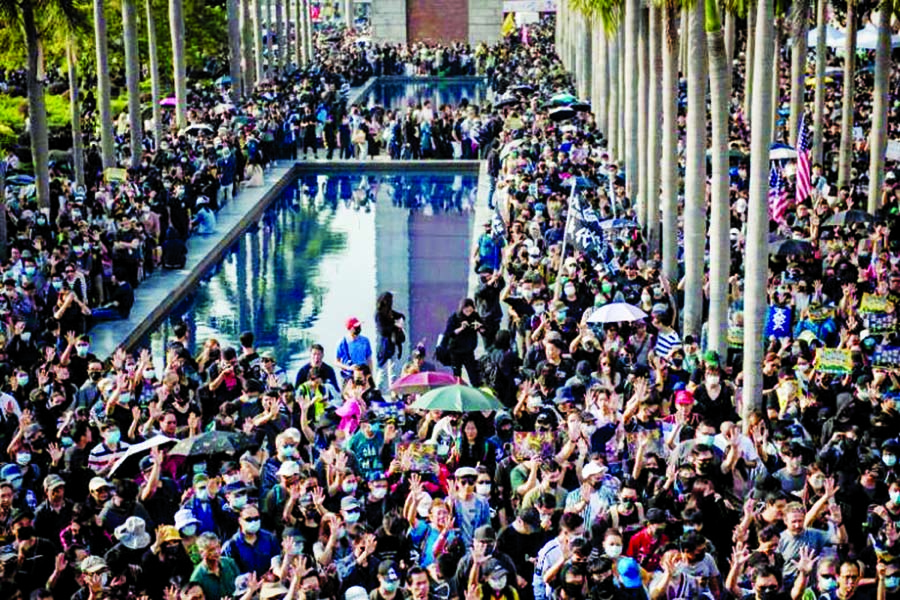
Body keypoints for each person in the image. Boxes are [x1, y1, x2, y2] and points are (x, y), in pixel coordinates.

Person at [442, 298, 484, 386]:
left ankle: (476, 387)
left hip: (468, 350)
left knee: (473, 373)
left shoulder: (475, 316)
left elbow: (484, 329)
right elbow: (449, 333)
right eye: (466, 311)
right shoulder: (455, 317)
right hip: (456, 350)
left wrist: (479, 327)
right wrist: (461, 328)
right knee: (457, 374)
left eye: (470, 310)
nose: (469, 313)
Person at [336, 317, 374, 383]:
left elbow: (369, 359)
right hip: (349, 376)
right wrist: (348, 368)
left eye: (359, 326)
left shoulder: (365, 341)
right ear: (350, 328)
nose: (358, 328)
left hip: (362, 374)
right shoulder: (342, 342)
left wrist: (370, 375)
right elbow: (337, 362)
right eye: (356, 327)